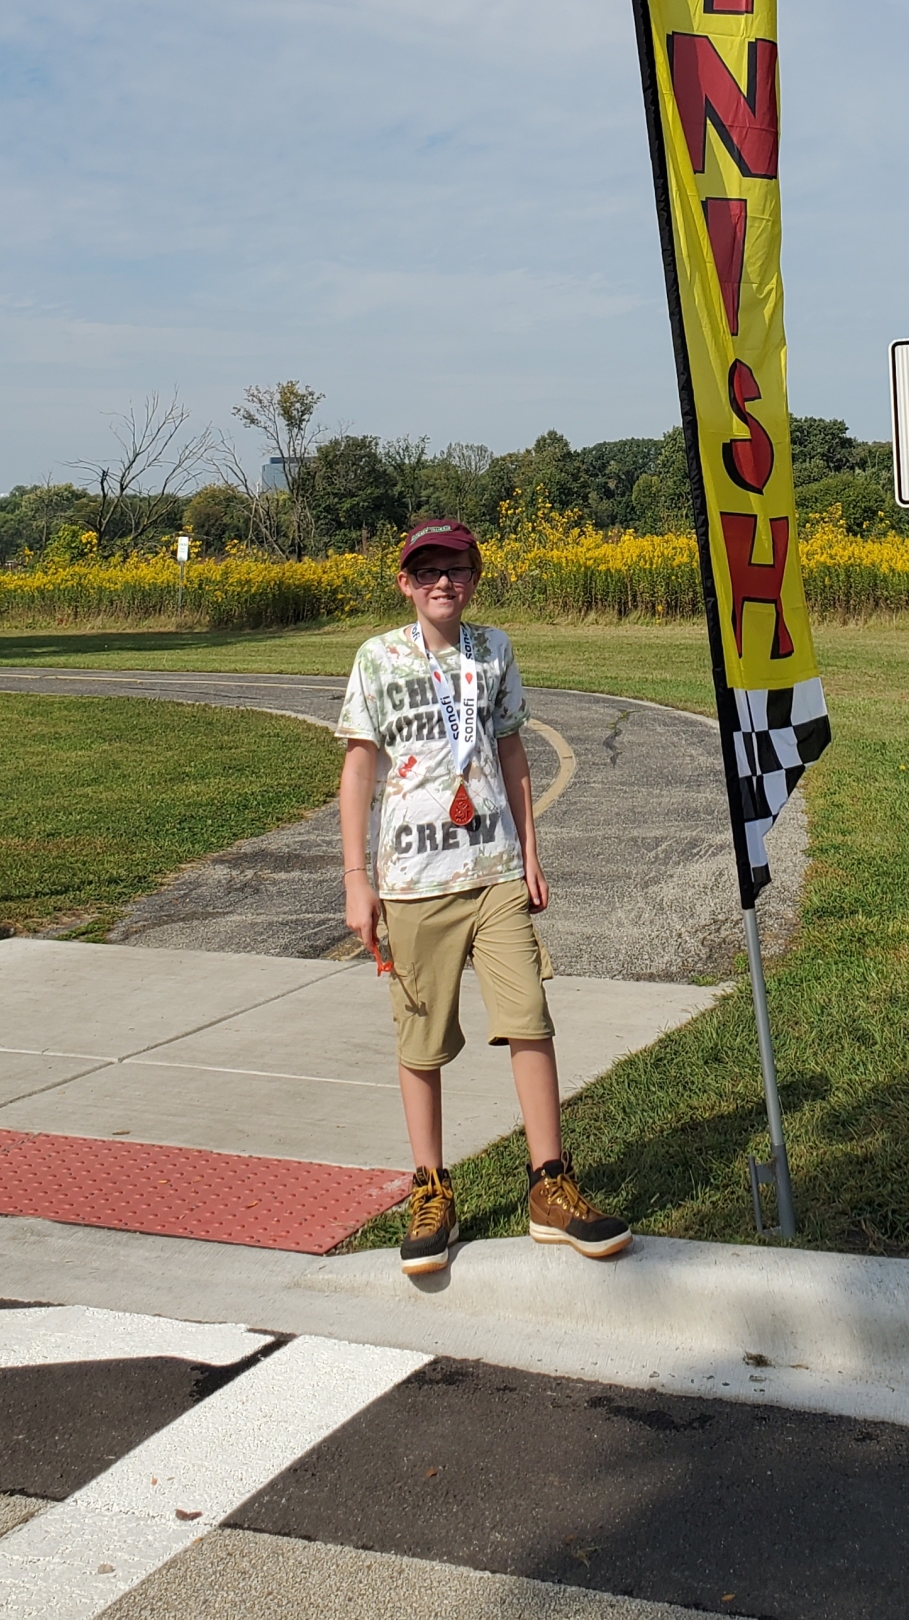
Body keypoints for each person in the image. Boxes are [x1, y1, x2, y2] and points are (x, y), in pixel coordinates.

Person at [338, 517, 631, 1276]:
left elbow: (511, 751)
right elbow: (359, 769)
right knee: (421, 1038)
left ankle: (549, 1183)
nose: (444, 581)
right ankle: (431, 1188)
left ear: (474, 578)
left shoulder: (493, 650)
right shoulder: (377, 658)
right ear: (405, 583)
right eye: (428, 570)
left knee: (529, 1016)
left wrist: (531, 852)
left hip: (494, 869)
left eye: (458, 568)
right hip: (413, 881)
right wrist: (356, 881)